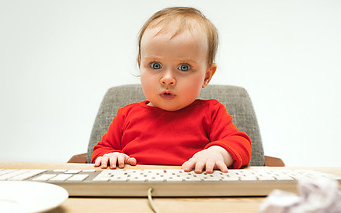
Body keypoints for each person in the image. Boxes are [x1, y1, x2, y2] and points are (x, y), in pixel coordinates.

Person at [92, 7, 251, 173]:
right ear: (141, 67)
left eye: (183, 67)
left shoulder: (212, 113)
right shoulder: (126, 116)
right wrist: (109, 156)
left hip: (193, 193)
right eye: (155, 65)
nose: (167, 79)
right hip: (136, 192)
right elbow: (101, 150)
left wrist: (217, 152)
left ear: (206, 76)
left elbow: (240, 144)